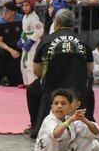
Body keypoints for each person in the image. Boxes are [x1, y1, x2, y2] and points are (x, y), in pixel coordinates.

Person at [29, 9, 94, 138]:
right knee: (89, 91)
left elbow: (37, 71)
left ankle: (36, 126)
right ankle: (89, 121)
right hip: (78, 88)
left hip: (52, 88)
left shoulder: (46, 41)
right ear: (73, 24)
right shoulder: (84, 41)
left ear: (56, 23)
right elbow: (90, 69)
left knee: (31, 90)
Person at [30, 88, 99, 151]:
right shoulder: (49, 120)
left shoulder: (69, 118)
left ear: (70, 107)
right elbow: (55, 134)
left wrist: (84, 120)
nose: (59, 106)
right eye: (56, 103)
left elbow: (95, 132)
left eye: (63, 104)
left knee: (87, 137)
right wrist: (69, 121)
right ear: (52, 107)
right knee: (48, 139)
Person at [0, 1, 22, 86]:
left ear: (13, 12)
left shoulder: (21, 19)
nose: (4, 13)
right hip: (6, 47)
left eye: (6, 11)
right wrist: (11, 50)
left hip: (19, 46)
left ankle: (20, 82)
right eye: (3, 11)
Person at [18, 0, 43, 87]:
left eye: (27, 5)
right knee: (23, 64)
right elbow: (24, 31)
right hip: (26, 40)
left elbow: (39, 31)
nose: (25, 8)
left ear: (31, 6)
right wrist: (21, 39)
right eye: (23, 5)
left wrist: (31, 41)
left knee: (30, 64)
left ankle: (32, 84)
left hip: (33, 44)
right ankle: (26, 82)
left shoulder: (34, 17)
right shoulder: (24, 17)